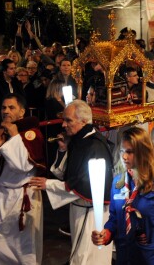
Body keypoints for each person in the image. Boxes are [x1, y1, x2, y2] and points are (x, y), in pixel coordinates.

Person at [29, 100, 114, 265]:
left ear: (83, 121)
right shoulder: (79, 140)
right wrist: (62, 149)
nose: (63, 124)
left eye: (68, 120)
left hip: (91, 213)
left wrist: (48, 184)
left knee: (85, 256)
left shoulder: (94, 146)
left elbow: (81, 184)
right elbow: (65, 174)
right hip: (78, 209)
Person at [0, 93, 46, 265]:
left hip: (23, 197)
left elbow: (22, 165)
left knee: (23, 249)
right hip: (0, 196)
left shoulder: (32, 134)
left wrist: (15, 137)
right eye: (3, 107)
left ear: (22, 112)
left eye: (11, 107)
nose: (6, 111)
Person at [91, 127, 154, 265]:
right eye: (122, 151)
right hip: (125, 257)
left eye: (129, 152)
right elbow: (115, 218)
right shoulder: (118, 183)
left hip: (150, 258)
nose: (124, 157)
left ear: (143, 152)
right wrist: (107, 233)